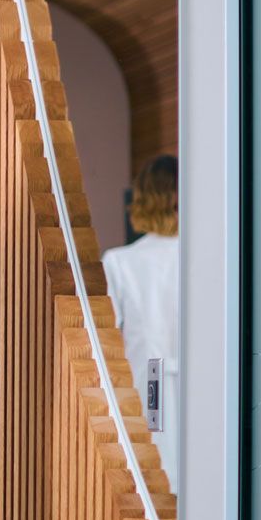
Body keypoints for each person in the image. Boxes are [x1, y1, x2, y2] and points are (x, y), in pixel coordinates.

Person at [102, 156, 180, 480]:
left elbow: (108, 342)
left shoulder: (120, 262)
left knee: (154, 488)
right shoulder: (212, 257)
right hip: (207, 388)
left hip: (149, 389)